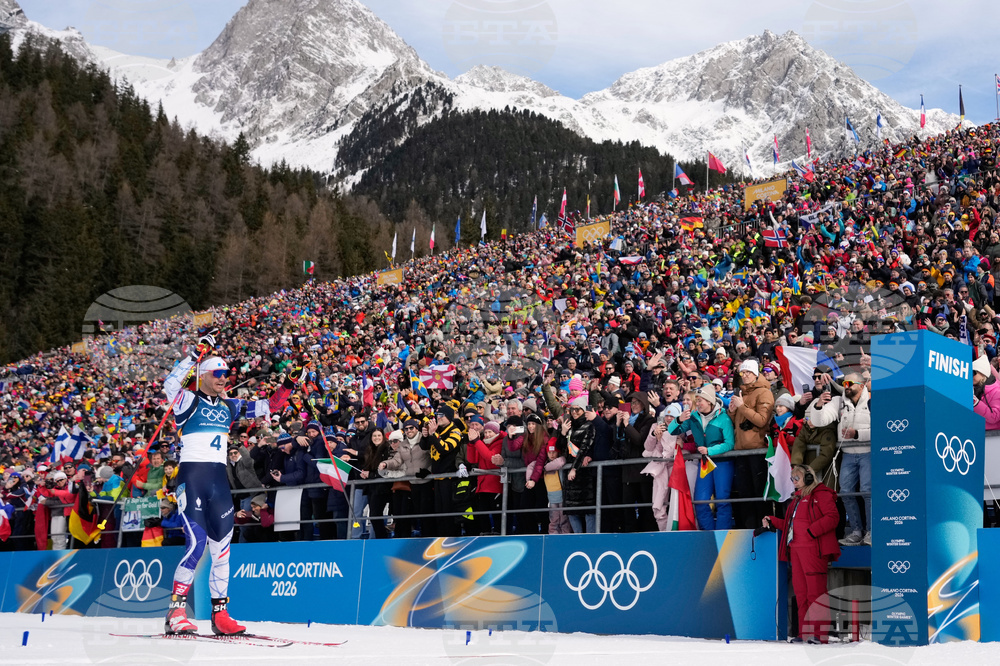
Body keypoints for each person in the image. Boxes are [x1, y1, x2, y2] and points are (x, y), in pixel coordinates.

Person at [162, 330, 298, 636]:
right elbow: (170, 383)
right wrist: (195, 355)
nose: (224, 378)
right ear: (204, 375)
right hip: (192, 478)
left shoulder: (229, 406)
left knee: (222, 550)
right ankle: (176, 612)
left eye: (226, 373)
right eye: (218, 373)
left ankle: (220, 614)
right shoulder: (187, 400)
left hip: (218, 483)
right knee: (196, 544)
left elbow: (269, 407)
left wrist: (289, 384)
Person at [763, 464, 841, 644]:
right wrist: (773, 520)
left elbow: (832, 517)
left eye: (796, 478)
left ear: (807, 478)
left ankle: (819, 636)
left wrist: (812, 531)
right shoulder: (797, 499)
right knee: (801, 593)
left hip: (814, 551)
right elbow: (790, 526)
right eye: (792, 479)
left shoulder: (821, 494)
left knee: (816, 593)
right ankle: (805, 634)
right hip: (796, 551)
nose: (794, 482)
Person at [811, 373, 871, 546]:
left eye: (851, 383)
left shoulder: (872, 401)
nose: (846, 386)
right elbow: (820, 420)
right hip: (848, 454)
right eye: (845, 382)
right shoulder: (839, 401)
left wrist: (857, 434)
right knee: (845, 492)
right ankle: (856, 531)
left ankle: (871, 532)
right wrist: (819, 404)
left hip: (867, 452)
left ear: (862, 385)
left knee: (867, 492)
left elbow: (881, 429)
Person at [667, 385, 735, 530]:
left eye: (700, 400)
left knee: (722, 500)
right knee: (700, 501)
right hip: (705, 463)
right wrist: (679, 419)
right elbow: (672, 431)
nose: (697, 404)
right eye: (697, 400)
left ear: (710, 401)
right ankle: (708, 534)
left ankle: (722, 534)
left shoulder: (723, 418)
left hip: (722, 462)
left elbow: (729, 443)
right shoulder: (693, 417)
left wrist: (709, 450)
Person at [728, 358, 775, 530]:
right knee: (745, 494)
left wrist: (741, 407)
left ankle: (765, 528)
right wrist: (732, 412)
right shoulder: (742, 393)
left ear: (756, 373)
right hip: (741, 450)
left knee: (759, 493)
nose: (744, 375)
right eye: (742, 372)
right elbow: (737, 423)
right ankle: (749, 529)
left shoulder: (764, 393)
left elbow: (762, 421)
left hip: (758, 451)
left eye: (748, 372)